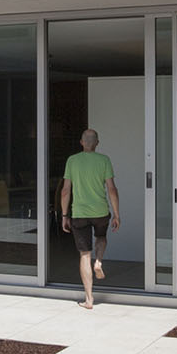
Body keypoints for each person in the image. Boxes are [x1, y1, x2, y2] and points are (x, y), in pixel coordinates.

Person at [58, 128, 120, 309]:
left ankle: (89, 299)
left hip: (80, 214)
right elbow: (112, 189)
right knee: (101, 237)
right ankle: (99, 261)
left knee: (84, 254)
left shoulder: (72, 161)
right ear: (97, 143)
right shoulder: (104, 160)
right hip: (100, 211)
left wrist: (64, 215)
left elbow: (65, 191)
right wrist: (116, 214)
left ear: (81, 142)